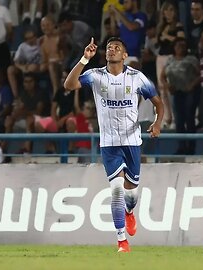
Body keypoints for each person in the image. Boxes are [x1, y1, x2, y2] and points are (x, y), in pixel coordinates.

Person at [64, 37, 164, 253]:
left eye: (117, 47)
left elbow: (158, 103)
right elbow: (69, 85)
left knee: (131, 195)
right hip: (109, 144)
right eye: (109, 47)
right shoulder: (95, 75)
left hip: (132, 142)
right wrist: (84, 59)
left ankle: (129, 212)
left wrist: (157, 123)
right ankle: (122, 242)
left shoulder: (137, 78)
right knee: (117, 192)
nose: (112, 50)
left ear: (125, 55)